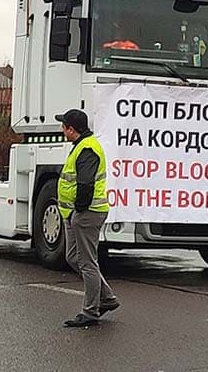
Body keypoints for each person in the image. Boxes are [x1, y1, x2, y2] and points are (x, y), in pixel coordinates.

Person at [56, 108, 119, 328]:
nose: (62, 130)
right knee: (73, 257)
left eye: (63, 127)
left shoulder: (87, 149)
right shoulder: (82, 146)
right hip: (79, 213)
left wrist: (78, 211)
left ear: (71, 129)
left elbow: (85, 184)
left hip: (87, 213)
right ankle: (107, 298)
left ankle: (90, 311)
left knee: (86, 262)